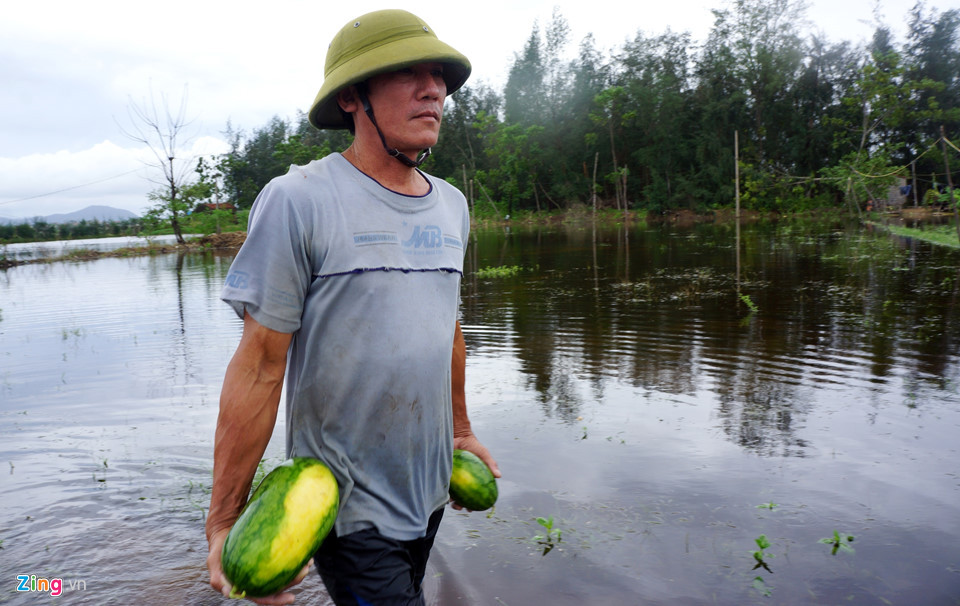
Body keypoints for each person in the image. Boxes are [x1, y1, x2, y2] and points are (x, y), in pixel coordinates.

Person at [204, 9, 500, 606]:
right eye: (406, 73)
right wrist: (223, 523)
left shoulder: (452, 207)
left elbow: (447, 330)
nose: (433, 88)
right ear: (351, 98)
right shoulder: (298, 201)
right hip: (346, 508)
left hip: (427, 488)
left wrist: (461, 432)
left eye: (439, 74)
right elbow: (261, 366)